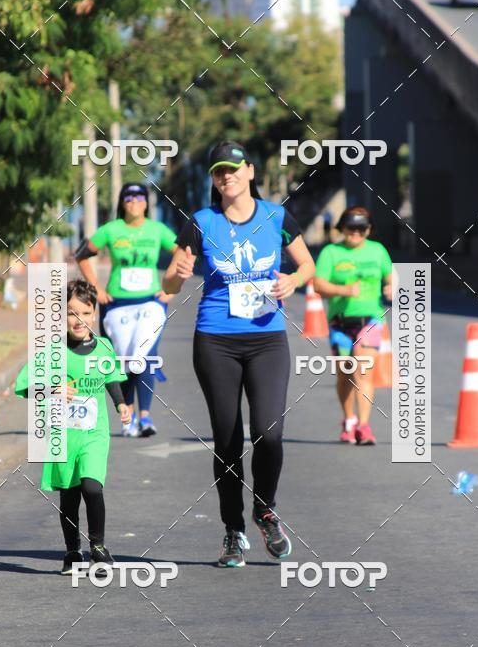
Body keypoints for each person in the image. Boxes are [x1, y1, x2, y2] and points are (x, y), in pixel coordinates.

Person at [163, 140, 315, 568]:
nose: (226, 176)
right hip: (216, 341)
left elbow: (307, 265)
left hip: (267, 338)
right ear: (214, 180)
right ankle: (233, 531)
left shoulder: (276, 216)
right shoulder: (200, 222)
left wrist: (293, 281)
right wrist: (175, 274)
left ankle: (265, 510)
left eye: (233, 168)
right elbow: (171, 286)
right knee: (228, 440)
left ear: (249, 171)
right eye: (218, 171)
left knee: (269, 432)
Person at [15, 279, 130, 574]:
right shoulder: (53, 352)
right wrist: (52, 389)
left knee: (92, 487)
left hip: (94, 433)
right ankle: (72, 552)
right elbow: (27, 387)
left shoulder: (103, 346)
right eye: (71, 313)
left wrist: (121, 404)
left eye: (85, 313)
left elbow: (111, 377)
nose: (79, 320)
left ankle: (98, 547)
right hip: (61, 435)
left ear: (95, 314)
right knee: (69, 494)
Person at [75, 182, 177, 438]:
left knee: (146, 356)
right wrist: (96, 288)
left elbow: (184, 253)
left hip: (150, 302)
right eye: (128, 196)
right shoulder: (111, 230)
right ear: (122, 202)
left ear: (146, 202)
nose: (134, 200)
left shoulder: (157, 230)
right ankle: (127, 415)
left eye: (140, 196)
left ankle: (146, 417)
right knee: (122, 360)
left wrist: (172, 287)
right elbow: (81, 255)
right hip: (116, 304)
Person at [313, 206, 392, 446]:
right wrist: (343, 290)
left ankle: (364, 426)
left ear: (369, 230)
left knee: (364, 370)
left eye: (362, 228)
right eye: (351, 227)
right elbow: (318, 284)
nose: (356, 232)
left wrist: (391, 288)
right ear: (341, 228)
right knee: (345, 373)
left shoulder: (378, 251)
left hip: (371, 319)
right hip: (340, 322)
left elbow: (391, 278)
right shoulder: (331, 252)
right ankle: (349, 420)